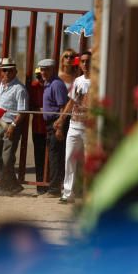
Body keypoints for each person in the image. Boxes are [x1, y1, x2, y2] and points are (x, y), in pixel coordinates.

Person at [55, 51, 92, 204]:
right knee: (69, 158)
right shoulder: (78, 80)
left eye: (87, 61)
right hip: (74, 125)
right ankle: (68, 193)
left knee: (89, 161)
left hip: (88, 127)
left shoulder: (96, 82)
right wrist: (61, 119)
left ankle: (89, 194)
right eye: (82, 61)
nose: (85, 64)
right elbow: (71, 102)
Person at [0, 59, 28, 195]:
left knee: (7, 158)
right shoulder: (3, 85)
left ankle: (6, 186)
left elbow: (23, 111)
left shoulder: (19, 88)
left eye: (9, 70)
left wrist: (13, 126)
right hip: (0, 123)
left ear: (15, 71)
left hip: (10, 125)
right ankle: (13, 185)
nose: (6, 72)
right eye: (4, 70)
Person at [41, 57, 68, 197]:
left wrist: (59, 127)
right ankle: (54, 188)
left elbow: (63, 107)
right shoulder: (48, 83)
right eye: (42, 69)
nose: (43, 72)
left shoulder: (56, 84)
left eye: (46, 69)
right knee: (54, 155)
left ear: (52, 70)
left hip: (56, 123)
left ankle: (54, 189)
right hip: (51, 124)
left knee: (55, 156)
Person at [28, 65, 48, 194]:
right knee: (39, 158)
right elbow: (28, 104)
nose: (40, 78)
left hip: (50, 128)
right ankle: (40, 186)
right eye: (38, 75)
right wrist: (36, 109)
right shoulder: (33, 87)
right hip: (38, 128)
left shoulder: (51, 86)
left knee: (50, 159)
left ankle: (50, 185)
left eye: (41, 75)